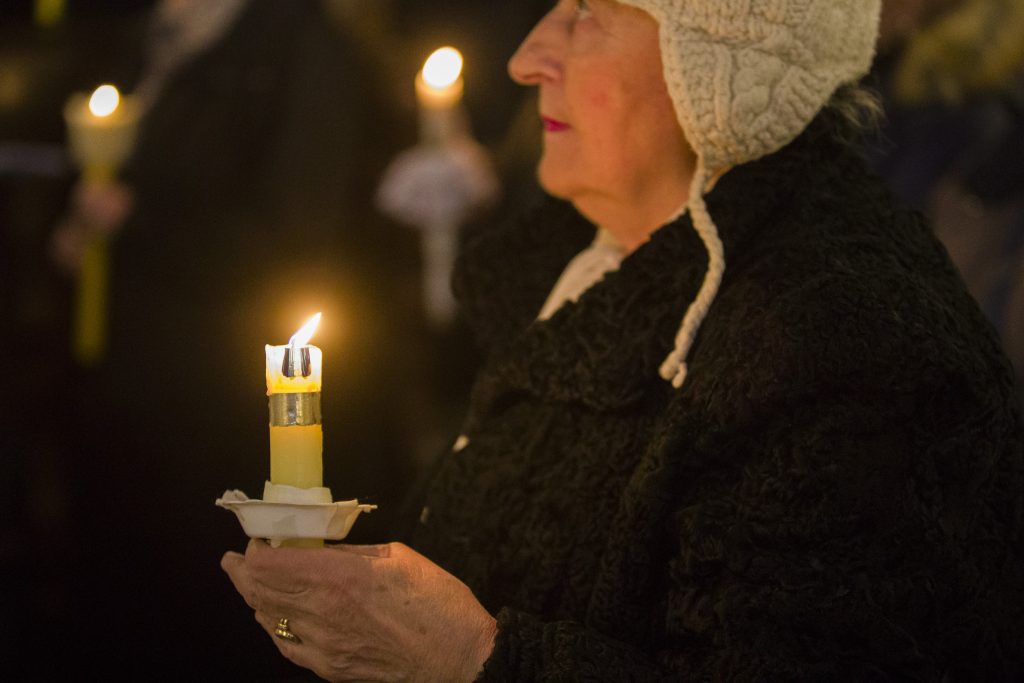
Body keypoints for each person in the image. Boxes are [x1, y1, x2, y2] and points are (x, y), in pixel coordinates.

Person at [222, 0, 1024, 680]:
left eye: (587, 15)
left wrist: (473, 658)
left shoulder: (844, 342)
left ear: (724, 63)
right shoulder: (584, 260)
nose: (528, 58)